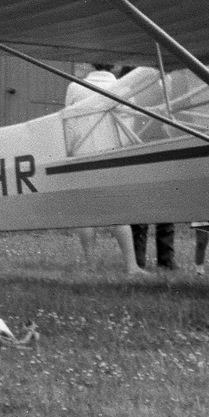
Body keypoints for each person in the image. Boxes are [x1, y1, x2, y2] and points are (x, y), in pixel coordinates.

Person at [66, 64, 146, 277]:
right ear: (116, 65)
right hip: (113, 155)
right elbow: (131, 125)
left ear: (91, 64)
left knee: (86, 213)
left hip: (82, 154)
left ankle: (90, 264)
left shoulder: (75, 87)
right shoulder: (126, 89)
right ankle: (131, 266)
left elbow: (67, 122)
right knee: (118, 212)